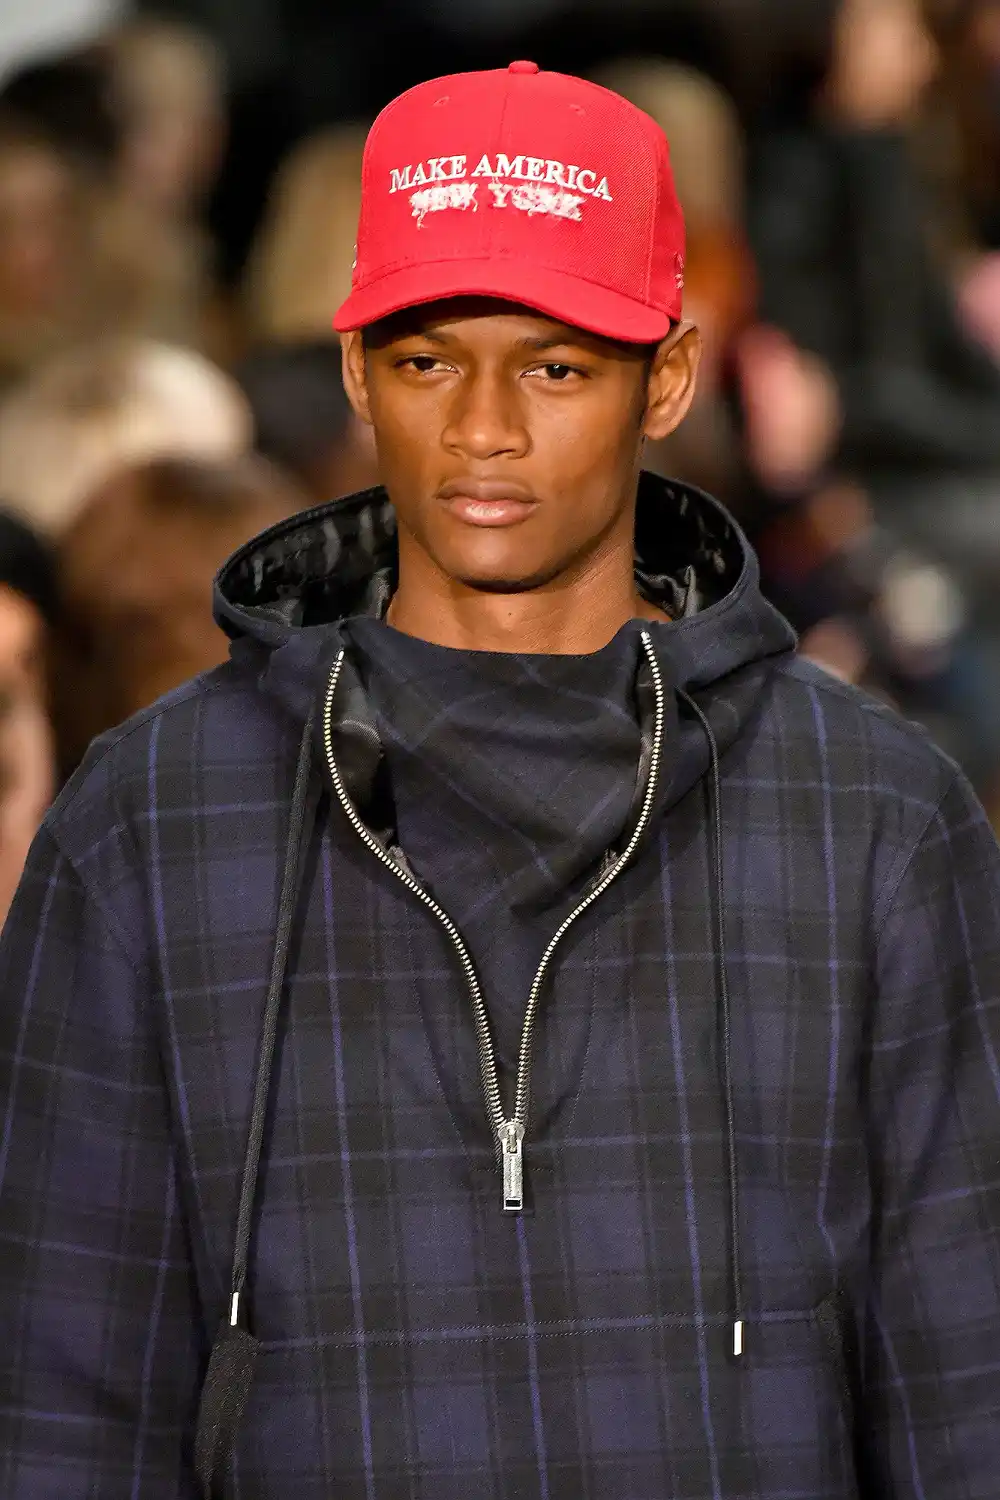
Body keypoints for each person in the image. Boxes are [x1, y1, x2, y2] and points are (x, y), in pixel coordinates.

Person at [1, 60, 999, 1500]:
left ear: (666, 379)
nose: (481, 425)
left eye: (553, 364)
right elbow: (59, 1417)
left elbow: (967, 1405)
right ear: (353, 373)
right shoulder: (150, 826)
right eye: (425, 358)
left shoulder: (876, 824)